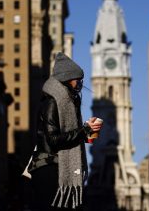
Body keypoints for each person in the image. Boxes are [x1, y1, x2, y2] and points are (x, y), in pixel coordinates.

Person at [24, 52, 103, 210]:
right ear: (67, 79)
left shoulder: (67, 103)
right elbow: (53, 139)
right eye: (77, 80)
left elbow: (68, 135)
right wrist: (84, 130)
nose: (80, 84)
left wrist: (86, 132)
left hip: (57, 168)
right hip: (49, 169)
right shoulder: (52, 101)